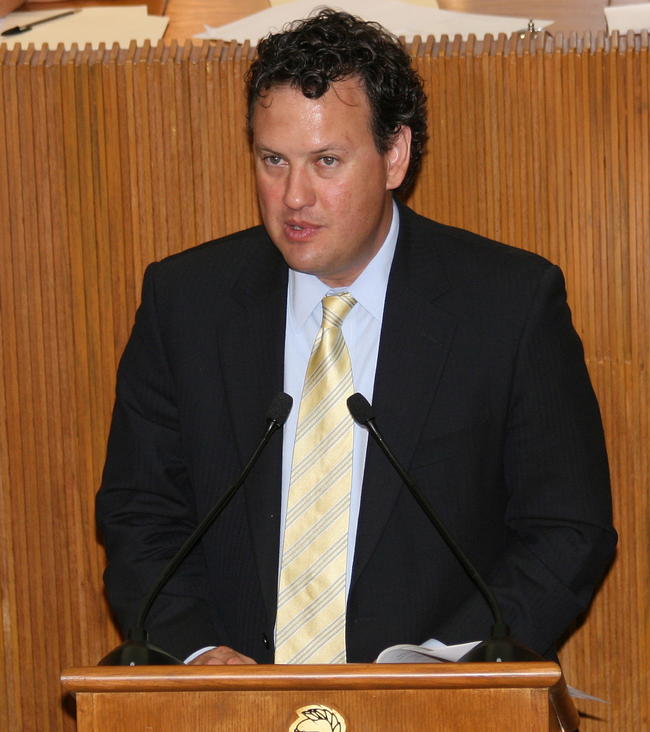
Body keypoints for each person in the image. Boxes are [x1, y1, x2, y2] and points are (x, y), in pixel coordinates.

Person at [96, 9, 616, 667]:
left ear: (394, 155)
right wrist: (198, 653)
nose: (293, 197)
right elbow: (140, 512)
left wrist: (444, 666)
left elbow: (565, 530)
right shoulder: (186, 303)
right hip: (233, 701)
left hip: (437, 700)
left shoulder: (507, 306)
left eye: (326, 161)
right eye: (273, 160)